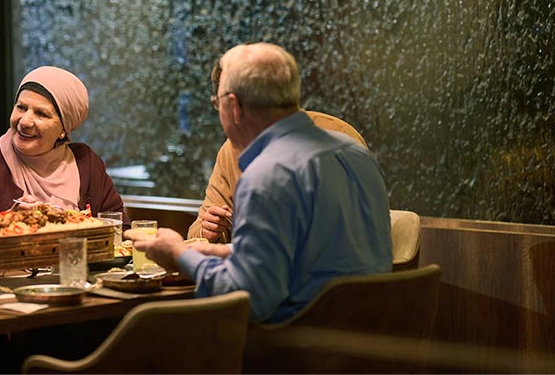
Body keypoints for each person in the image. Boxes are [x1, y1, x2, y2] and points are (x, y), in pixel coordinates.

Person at [127, 43, 391, 323]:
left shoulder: (268, 174)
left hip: (303, 350)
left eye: (217, 104)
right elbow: (320, 255)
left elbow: (250, 298)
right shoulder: (356, 153)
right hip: (370, 342)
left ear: (234, 106)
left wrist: (179, 255)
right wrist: (226, 251)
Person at [188, 58, 369, 243]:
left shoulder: (336, 138)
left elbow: (360, 226)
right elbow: (197, 232)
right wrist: (210, 230)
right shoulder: (231, 150)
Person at [0, 66, 126, 220]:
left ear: (64, 128)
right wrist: (10, 220)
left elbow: (119, 230)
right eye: (21, 107)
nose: (25, 121)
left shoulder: (86, 163)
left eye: (41, 114)